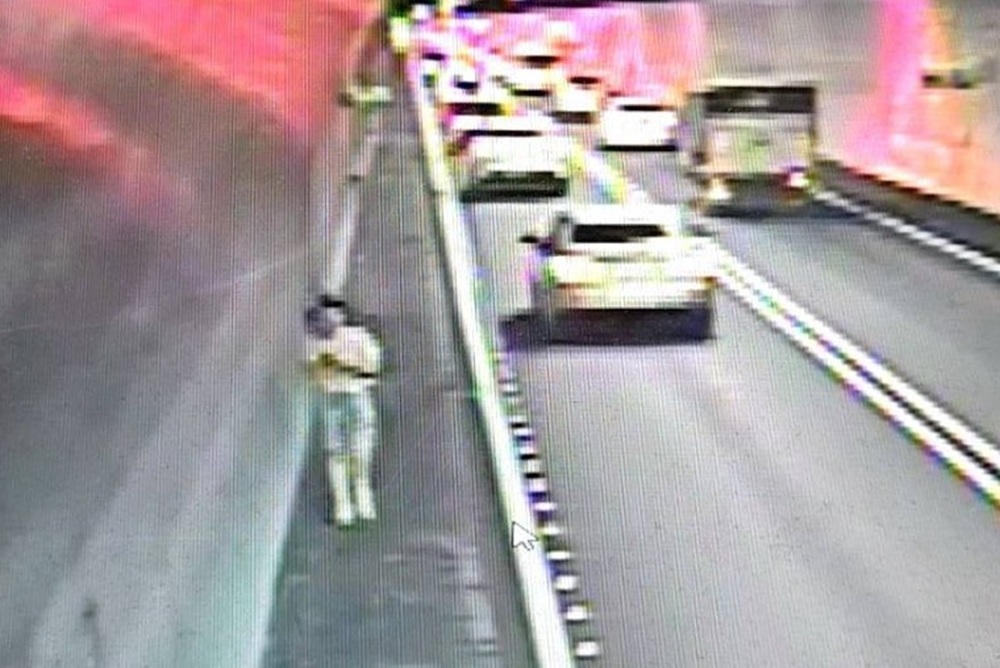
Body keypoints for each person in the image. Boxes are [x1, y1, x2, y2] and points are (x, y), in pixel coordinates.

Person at [305, 294, 382, 527]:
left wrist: (345, 371)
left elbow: (372, 368)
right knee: (339, 451)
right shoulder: (318, 348)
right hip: (335, 401)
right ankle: (344, 504)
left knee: (358, 448)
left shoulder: (357, 337)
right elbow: (320, 377)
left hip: (354, 397)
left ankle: (360, 494)